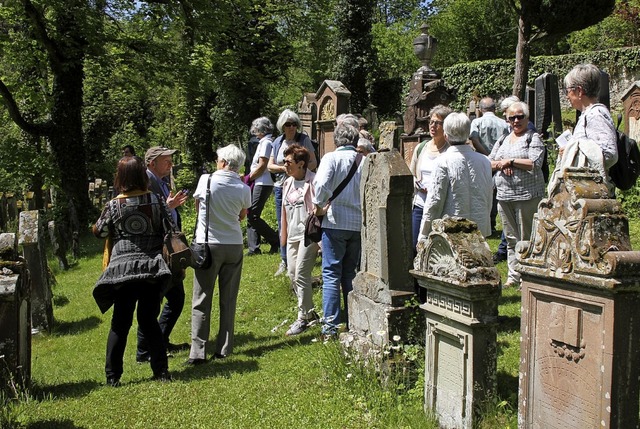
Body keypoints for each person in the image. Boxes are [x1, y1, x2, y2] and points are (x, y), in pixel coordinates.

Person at [93, 156, 172, 386]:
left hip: (122, 271)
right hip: (151, 268)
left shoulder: (113, 205)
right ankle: (161, 372)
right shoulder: (156, 200)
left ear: (121, 177)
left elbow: (99, 231)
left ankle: (112, 376)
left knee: (120, 322)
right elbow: (170, 228)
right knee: (149, 320)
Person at [187, 144, 251, 365]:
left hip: (208, 244)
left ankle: (198, 351)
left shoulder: (206, 180)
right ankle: (224, 348)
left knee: (201, 298)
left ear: (223, 162)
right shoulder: (244, 188)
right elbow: (242, 216)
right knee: (229, 298)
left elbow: (198, 208)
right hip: (233, 244)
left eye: (217, 159)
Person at [136, 147, 189, 363]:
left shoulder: (160, 180)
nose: (170, 164)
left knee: (175, 299)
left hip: (168, 249)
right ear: (151, 164)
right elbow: (150, 214)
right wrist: (169, 207)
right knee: (155, 302)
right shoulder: (147, 183)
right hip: (159, 250)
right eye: (165, 161)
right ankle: (144, 351)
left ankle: (160, 340)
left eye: (170, 160)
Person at [312, 121, 363, 339]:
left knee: (331, 273)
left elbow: (321, 185)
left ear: (336, 140)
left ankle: (330, 327)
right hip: (358, 223)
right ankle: (354, 321)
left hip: (334, 221)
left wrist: (318, 205)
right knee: (350, 273)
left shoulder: (331, 158)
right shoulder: (365, 160)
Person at [489, 101, 546, 288]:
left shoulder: (533, 137)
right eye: (512, 117)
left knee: (527, 237)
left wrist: (511, 161)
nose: (516, 120)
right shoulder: (503, 139)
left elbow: (534, 162)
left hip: (526, 195)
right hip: (504, 195)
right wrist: (502, 164)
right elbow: (490, 162)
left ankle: (528, 277)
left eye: (520, 117)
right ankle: (513, 276)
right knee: (511, 237)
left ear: (527, 118)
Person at [419, 112, 493, 240]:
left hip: (452, 229)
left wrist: (424, 233)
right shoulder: (484, 161)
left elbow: (435, 200)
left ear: (446, 135)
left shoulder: (442, 161)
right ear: (468, 133)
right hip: (478, 228)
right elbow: (489, 195)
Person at [268, 109, 318, 276]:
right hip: (281, 186)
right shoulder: (277, 142)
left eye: (294, 124)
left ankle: (305, 255)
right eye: (287, 125)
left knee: (305, 220)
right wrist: (286, 168)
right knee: (283, 222)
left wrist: (298, 172)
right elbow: (270, 165)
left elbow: (313, 162)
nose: (291, 127)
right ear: (282, 126)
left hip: (302, 186)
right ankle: (285, 259)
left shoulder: (303, 140)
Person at [280, 144, 320, 336]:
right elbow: (283, 211)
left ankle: (302, 317)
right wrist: (283, 235)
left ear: (301, 164)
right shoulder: (287, 182)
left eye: (288, 162)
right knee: (291, 273)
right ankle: (310, 313)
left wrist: (320, 241)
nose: (284, 165)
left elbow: (320, 207)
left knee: (301, 274)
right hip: (292, 237)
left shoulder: (313, 181)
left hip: (308, 235)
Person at [562, 63, 618, 183]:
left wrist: (575, 153)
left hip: (592, 190)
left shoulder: (596, 114)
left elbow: (610, 154)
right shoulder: (587, 114)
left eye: (568, 91)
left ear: (579, 91)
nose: (567, 96)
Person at [409, 105, 452, 251]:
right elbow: (412, 173)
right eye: (431, 122)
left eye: (438, 123)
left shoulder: (450, 151)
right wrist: (417, 184)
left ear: (446, 126)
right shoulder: (421, 148)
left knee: (437, 247)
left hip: (440, 207)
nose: (433, 126)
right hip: (420, 204)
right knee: (415, 245)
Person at [246, 117, 279, 256]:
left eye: (256, 130)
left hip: (262, 182)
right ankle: (254, 248)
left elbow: (262, 165)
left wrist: (249, 178)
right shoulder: (263, 142)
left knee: (253, 215)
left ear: (261, 130)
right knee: (251, 214)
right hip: (259, 181)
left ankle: (275, 239)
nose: (254, 132)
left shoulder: (266, 143)